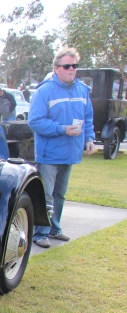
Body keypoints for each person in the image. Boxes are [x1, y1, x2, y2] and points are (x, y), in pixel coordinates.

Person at [27, 48, 95, 249]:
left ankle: (55, 228)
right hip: (50, 153)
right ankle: (41, 233)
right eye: (67, 66)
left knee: (60, 194)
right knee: (45, 194)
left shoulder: (82, 90)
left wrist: (89, 138)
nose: (71, 69)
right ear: (56, 68)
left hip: (71, 152)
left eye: (74, 66)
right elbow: (35, 122)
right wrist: (63, 129)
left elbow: (88, 117)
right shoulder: (44, 91)